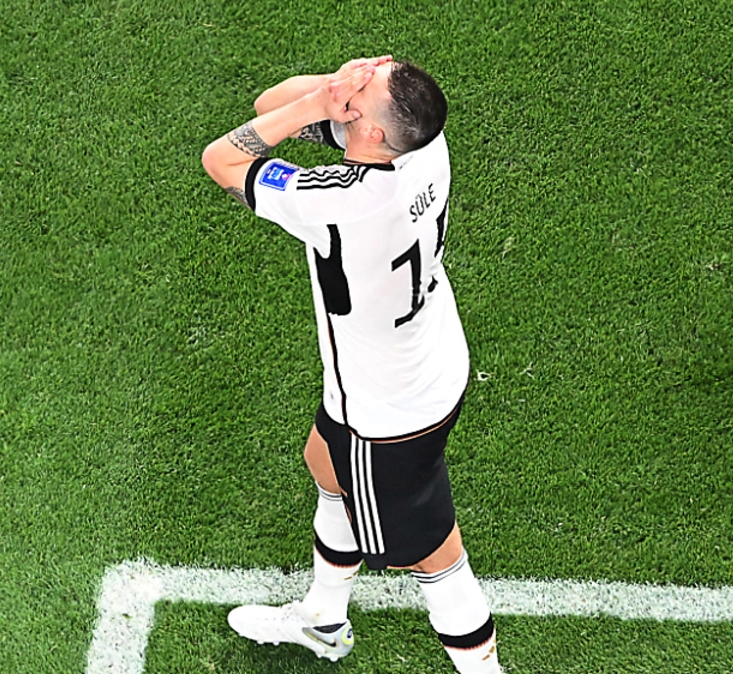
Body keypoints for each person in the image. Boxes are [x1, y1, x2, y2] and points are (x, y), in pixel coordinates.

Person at [201, 56, 501, 673]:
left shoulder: (340, 202)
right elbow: (270, 105)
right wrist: (334, 89)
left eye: (367, 83)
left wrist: (319, 103)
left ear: (369, 129)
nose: (361, 76)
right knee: (323, 460)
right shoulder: (423, 144)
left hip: (386, 412)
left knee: (437, 558)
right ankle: (323, 620)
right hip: (427, 360)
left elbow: (222, 159)